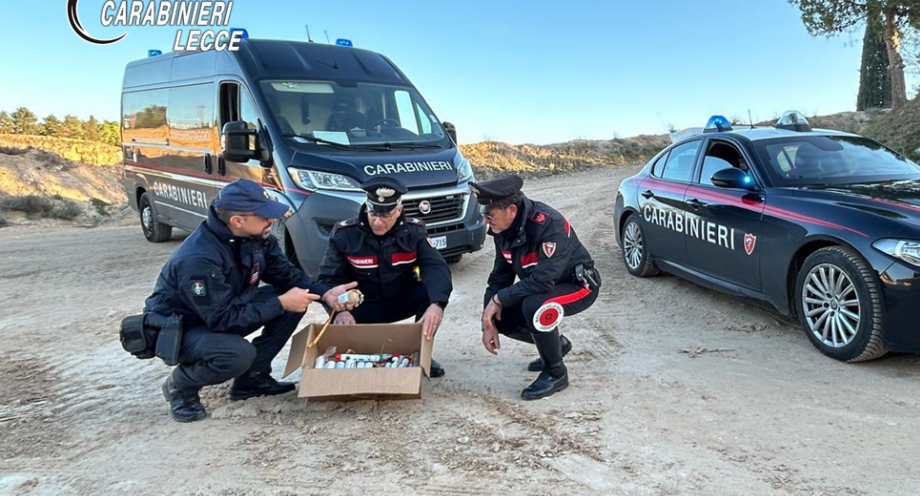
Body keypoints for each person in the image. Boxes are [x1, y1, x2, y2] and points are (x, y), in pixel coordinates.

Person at [144, 179, 358, 422]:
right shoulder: (199, 258)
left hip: (224, 308)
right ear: (237, 220)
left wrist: (325, 294)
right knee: (236, 354)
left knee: (294, 300)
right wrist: (280, 303)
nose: (271, 220)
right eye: (265, 215)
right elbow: (222, 320)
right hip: (184, 327)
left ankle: (251, 379)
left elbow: (286, 274)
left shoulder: (255, 236)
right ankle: (180, 386)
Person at [472, 175, 600, 400]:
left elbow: (543, 281)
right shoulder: (503, 231)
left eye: (488, 215)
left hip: (578, 285)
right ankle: (555, 346)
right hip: (544, 288)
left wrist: (498, 299)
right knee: (502, 316)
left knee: (536, 306)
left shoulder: (548, 223)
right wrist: (488, 320)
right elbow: (499, 278)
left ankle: (556, 373)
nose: (485, 221)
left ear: (511, 210)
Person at [317, 176, 452, 376]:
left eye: (386, 215)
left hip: (399, 300)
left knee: (428, 291)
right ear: (366, 207)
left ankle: (421, 352)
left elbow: (435, 267)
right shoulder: (345, 234)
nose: (378, 222)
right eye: (373, 213)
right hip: (361, 306)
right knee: (359, 360)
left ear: (398, 211)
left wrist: (438, 304)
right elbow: (328, 279)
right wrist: (338, 311)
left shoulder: (414, 232)